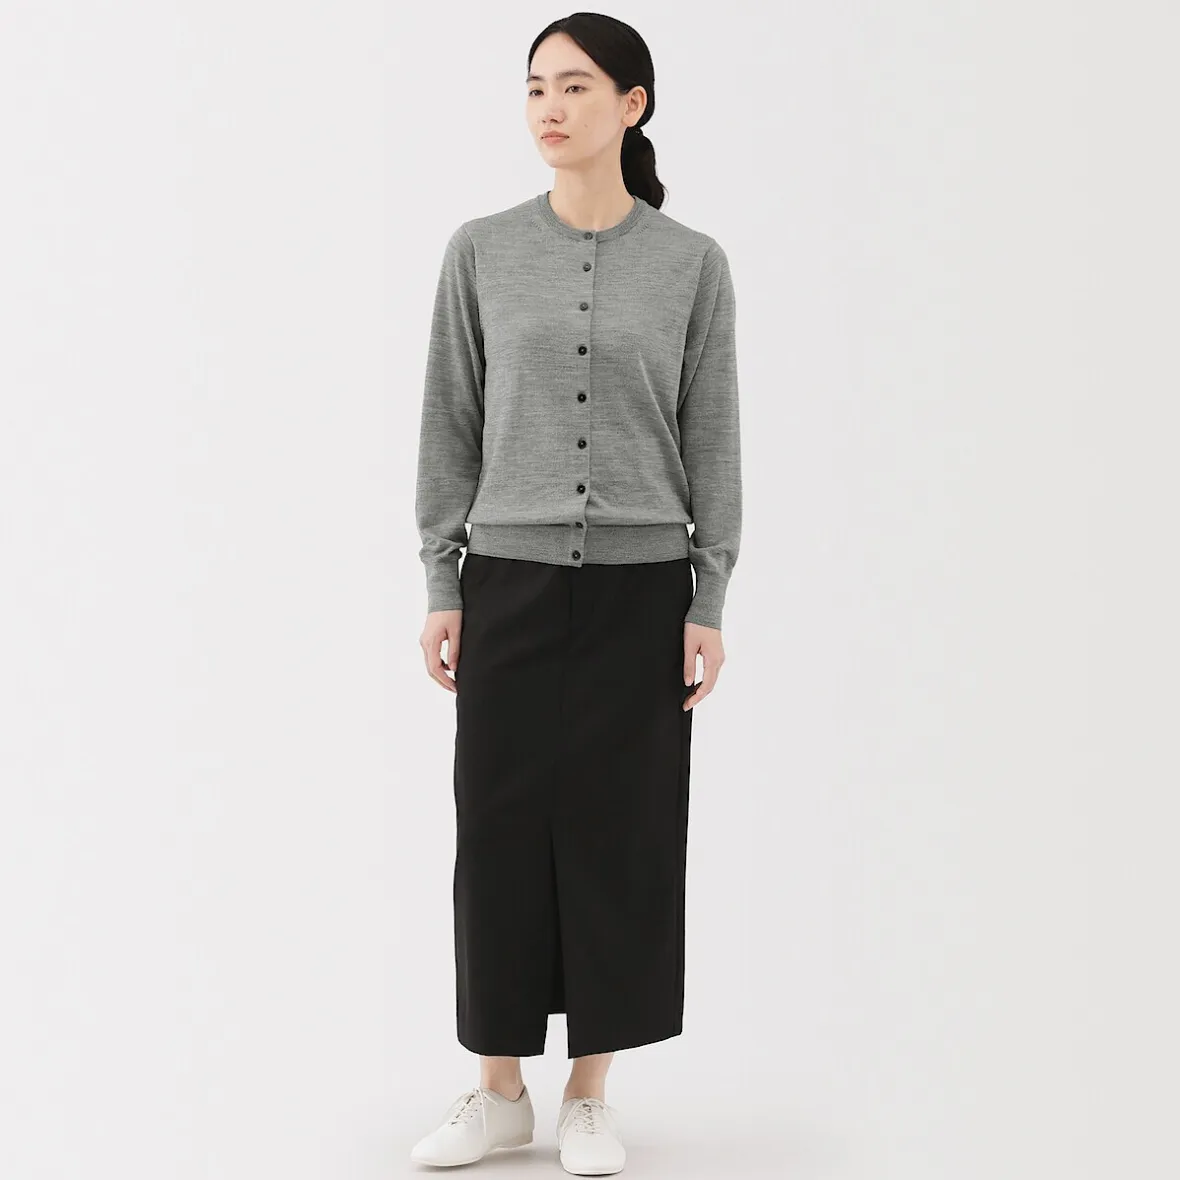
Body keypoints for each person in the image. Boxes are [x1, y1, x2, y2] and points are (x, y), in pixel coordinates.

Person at [409, 13, 742, 1175]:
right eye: (535, 87)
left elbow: (713, 436)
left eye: (576, 86)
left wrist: (707, 598)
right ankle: (498, 1089)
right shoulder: (480, 251)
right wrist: (441, 575)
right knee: (497, 830)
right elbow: (450, 419)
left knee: (622, 833)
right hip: (505, 579)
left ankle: (589, 1094)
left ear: (632, 105)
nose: (549, 108)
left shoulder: (692, 264)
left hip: (643, 592)